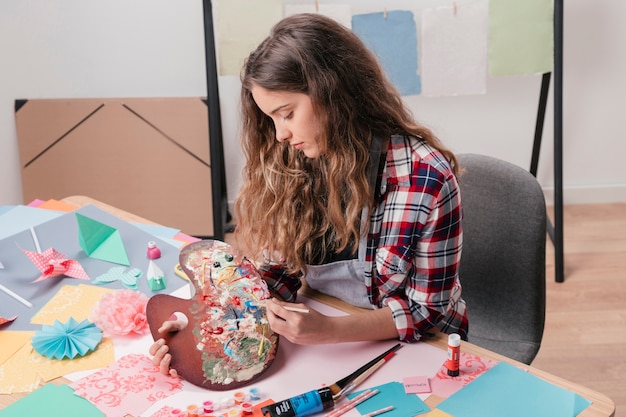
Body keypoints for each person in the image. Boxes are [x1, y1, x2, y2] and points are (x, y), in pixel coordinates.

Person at [150, 12, 468, 376]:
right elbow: (275, 277)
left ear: (333, 92)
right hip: (326, 344)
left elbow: (429, 312)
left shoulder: (425, 179)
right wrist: (208, 326)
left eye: (286, 114)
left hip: (421, 350)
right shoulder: (293, 162)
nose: (280, 134)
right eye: (271, 119)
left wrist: (331, 330)